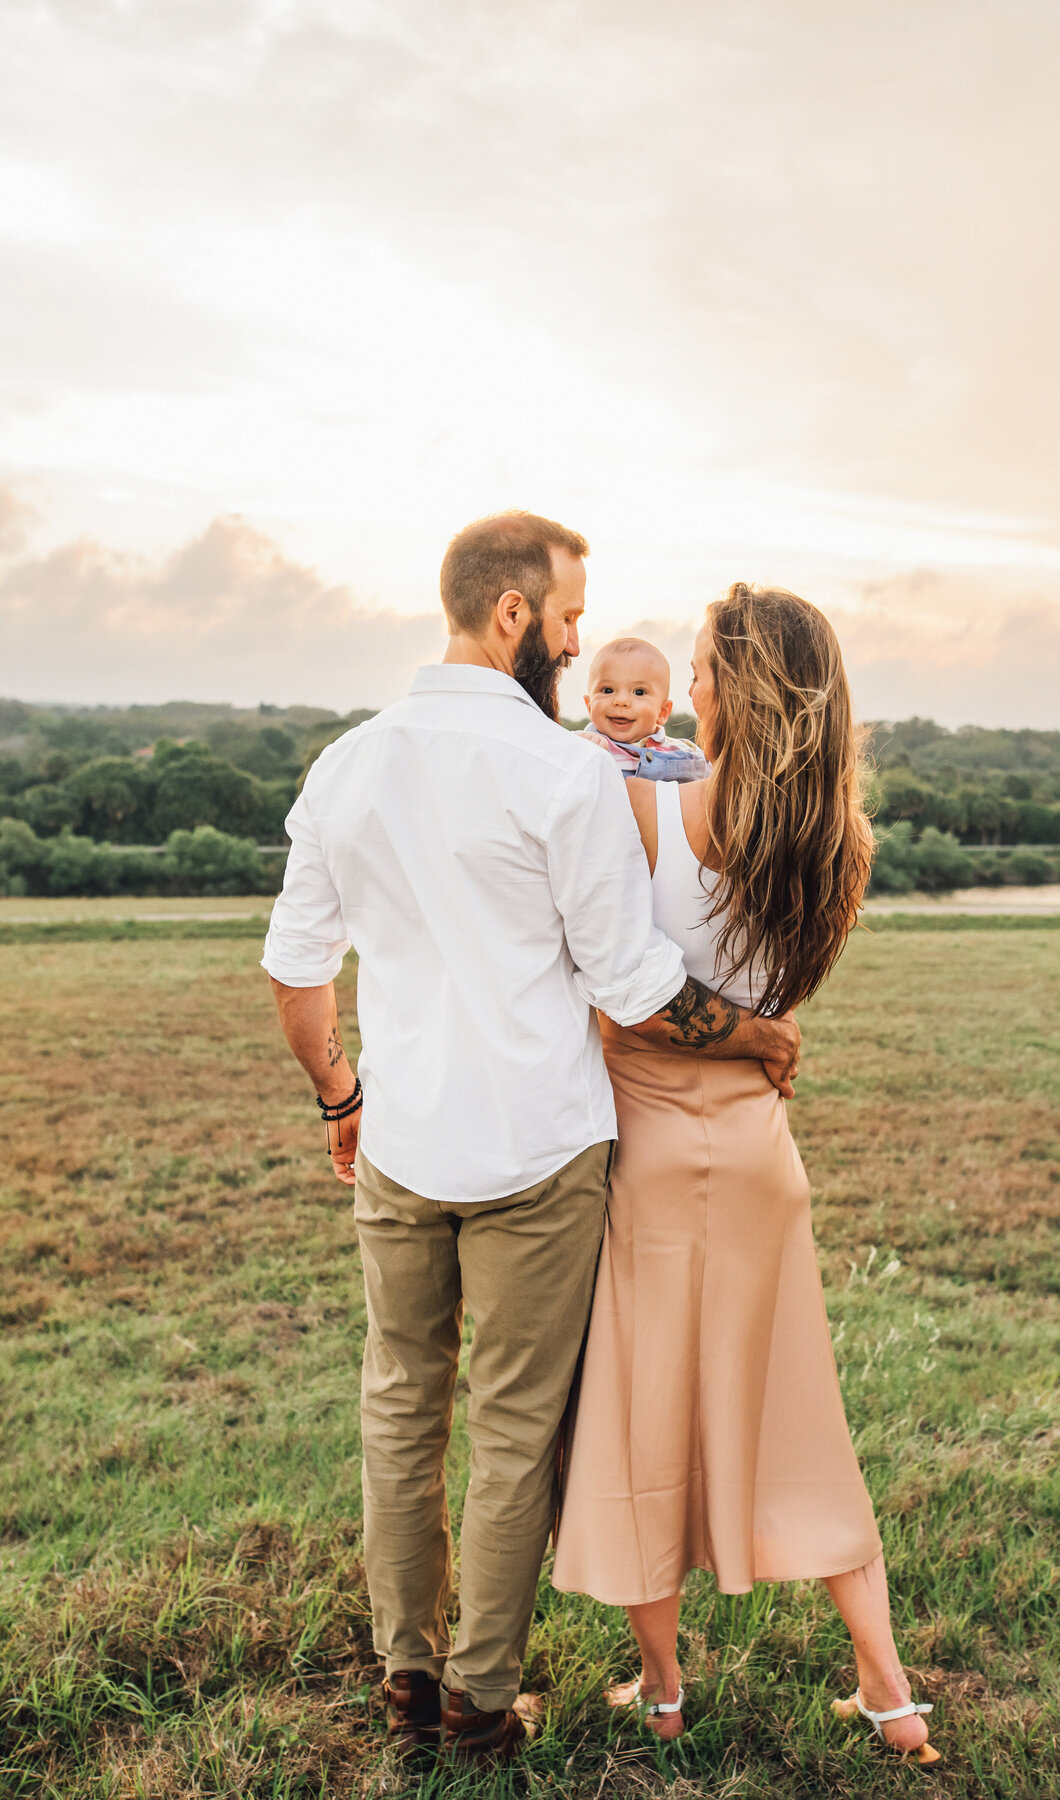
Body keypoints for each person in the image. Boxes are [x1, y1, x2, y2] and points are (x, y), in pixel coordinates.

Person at [261, 516, 800, 1767]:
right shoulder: (559, 775)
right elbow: (636, 986)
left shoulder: (347, 763)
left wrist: (344, 1103)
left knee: (400, 1405)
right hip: (541, 1156)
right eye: (566, 622)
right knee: (510, 1428)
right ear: (512, 616)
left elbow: (296, 975)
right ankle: (481, 1702)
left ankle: (405, 1679)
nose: (576, 646)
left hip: (401, 1143)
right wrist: (761, 1039)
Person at [552, 582, 940, 1767]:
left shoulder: (637, 803)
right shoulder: (833, 843)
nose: (690, 689)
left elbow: (627, 1016)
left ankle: (664, 1692)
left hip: (655, 1153)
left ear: (738, 690)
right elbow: (773, 1009)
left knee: (639, 1414)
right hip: (765, 1154)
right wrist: (762, 1034)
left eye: (708, 673)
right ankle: (890, 1690)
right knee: (798, 1414)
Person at [581, 636, 708, 781]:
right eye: (607, 690)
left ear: (662, 712)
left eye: (639, 692)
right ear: (589, 705)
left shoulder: (687, 751)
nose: (621, 701)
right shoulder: (582, 745)